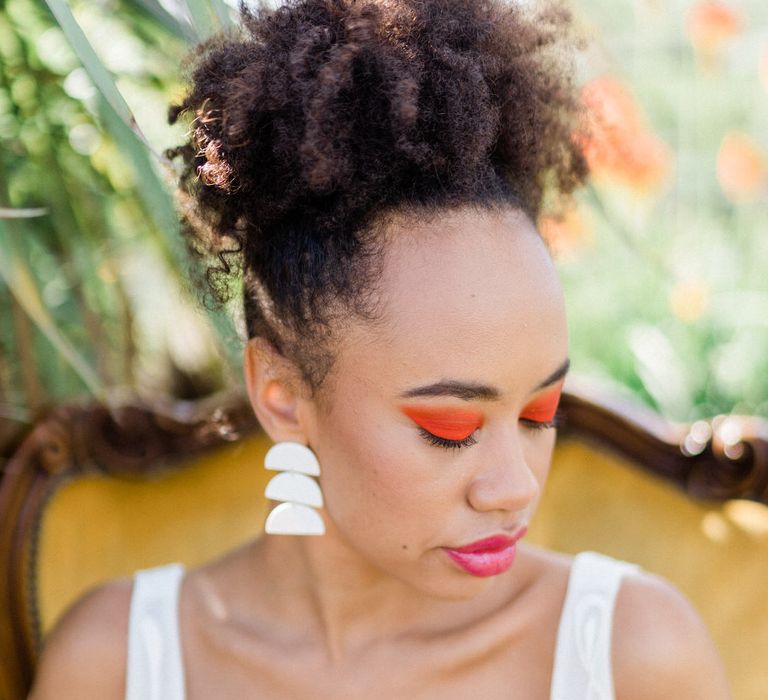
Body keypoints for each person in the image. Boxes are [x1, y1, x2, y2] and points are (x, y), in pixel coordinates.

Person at [29, 0, 732, 697]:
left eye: (539, 413)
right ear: (282, 396)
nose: (516, 487)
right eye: (449, 429)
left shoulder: (635, 655)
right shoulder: (117, 662)